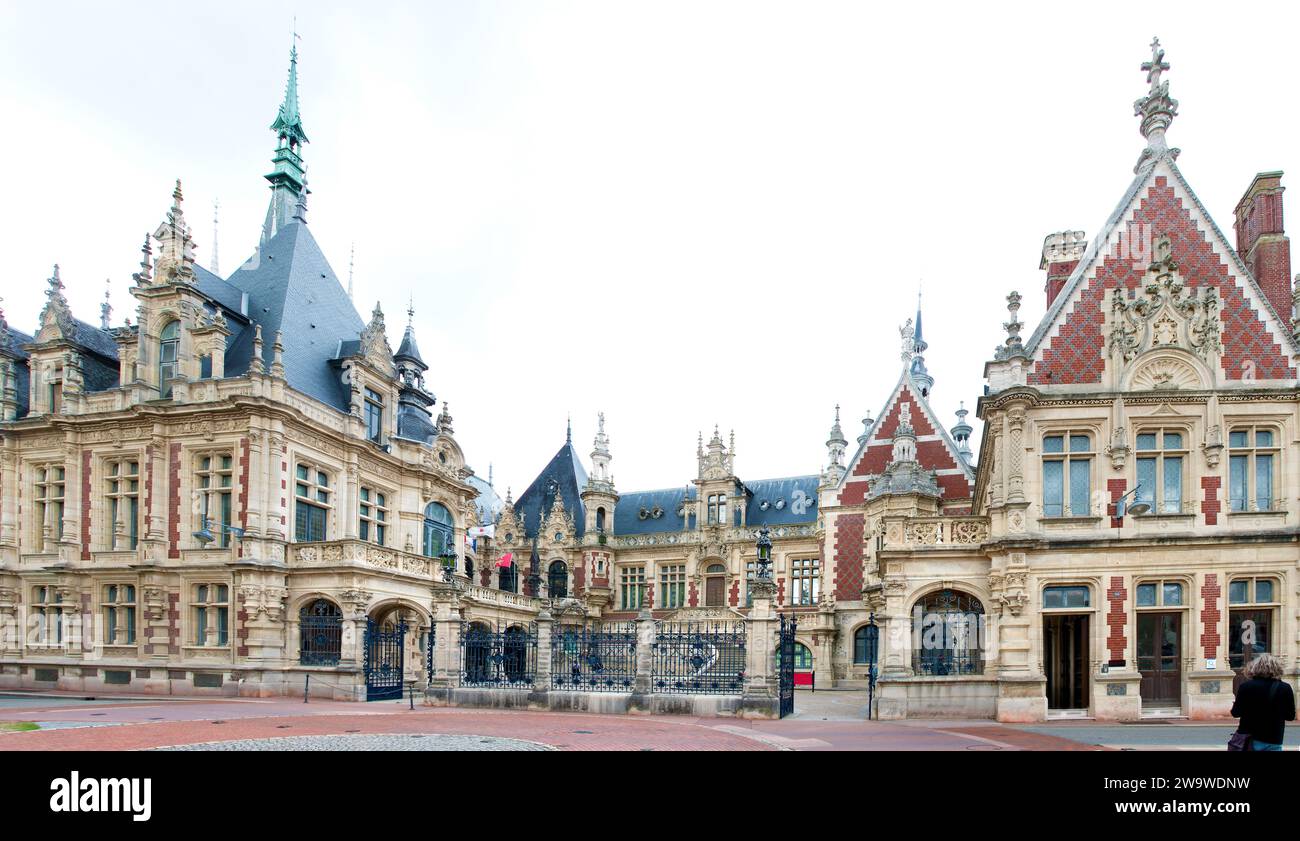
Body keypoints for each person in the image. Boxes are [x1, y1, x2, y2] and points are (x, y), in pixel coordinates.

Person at [1230, 654, 1296, 751]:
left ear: (1255, 668)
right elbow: (1290, 716)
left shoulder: (1246, 686)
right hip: (1274, 738)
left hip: (1249, 738)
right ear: (1278, 668)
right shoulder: (1285, 688)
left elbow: (1235, 713)